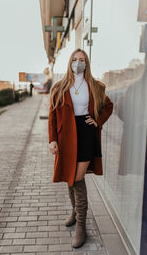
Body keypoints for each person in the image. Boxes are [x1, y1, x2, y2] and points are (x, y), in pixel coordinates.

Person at [48, 48, 113, 248]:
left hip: (86, 134)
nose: (78, 62)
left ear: (87, 63)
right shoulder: (59, 87)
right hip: (66, 136)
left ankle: (81, 225)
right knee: (69, 176)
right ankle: (75, 212)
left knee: (77, 178)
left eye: (82, 59)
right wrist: (52, 139)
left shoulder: (95, 86)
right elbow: (52, 114)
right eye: (75, 59)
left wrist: (97, 120)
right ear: (69, 62)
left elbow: (109, 106)